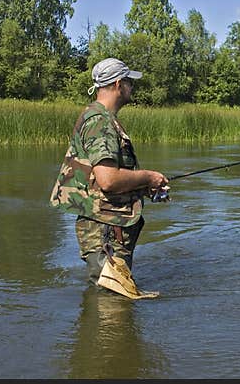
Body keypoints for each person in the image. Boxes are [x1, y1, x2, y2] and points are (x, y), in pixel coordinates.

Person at [50, 58, 169, 291]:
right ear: (117, 84)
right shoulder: (100, 122)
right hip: (105, 231)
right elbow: (108, 180)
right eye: (129, 82)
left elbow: (97, 179)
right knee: (111, 301)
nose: (131, 87)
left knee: (114, 300)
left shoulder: (102, 119)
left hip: (109, 227)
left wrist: (140, 187)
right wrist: (147, 177)